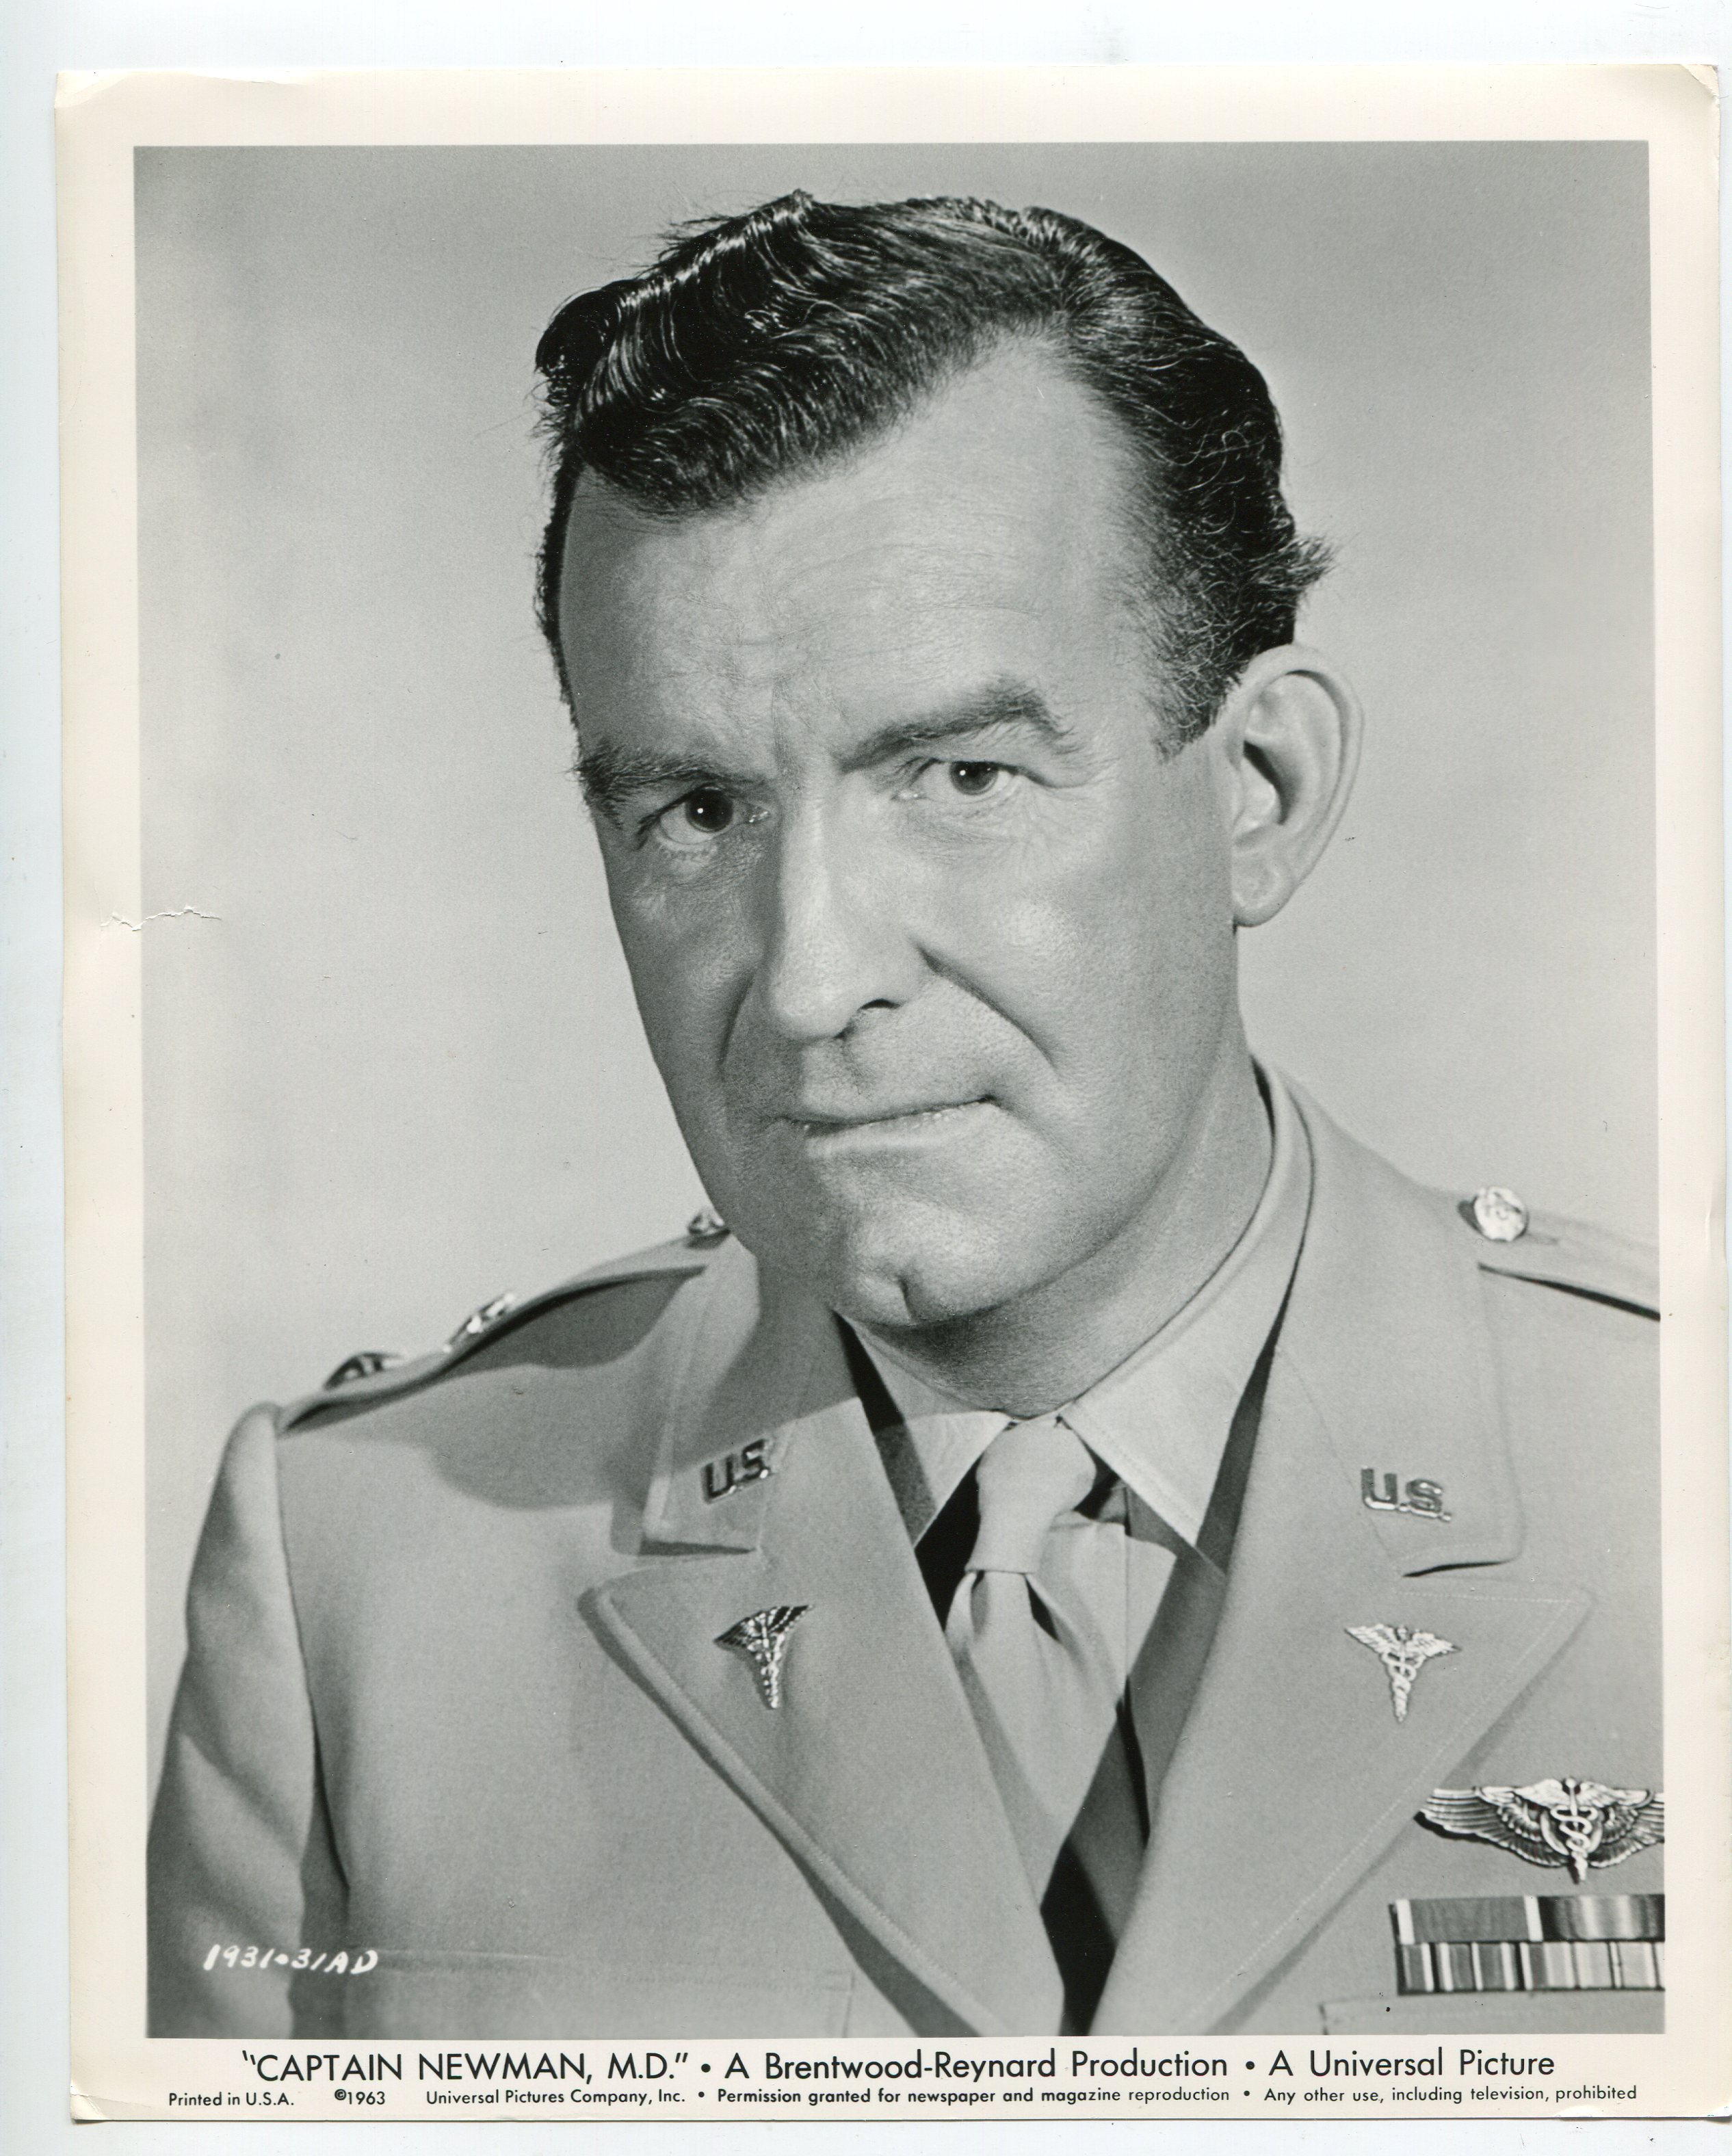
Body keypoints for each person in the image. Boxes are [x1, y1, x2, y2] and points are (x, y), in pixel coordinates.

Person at [149, 193, 1660, 2041]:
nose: (807, 979)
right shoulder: (364, 1569)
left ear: (1258, 791)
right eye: (696, 812)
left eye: (959, 776)